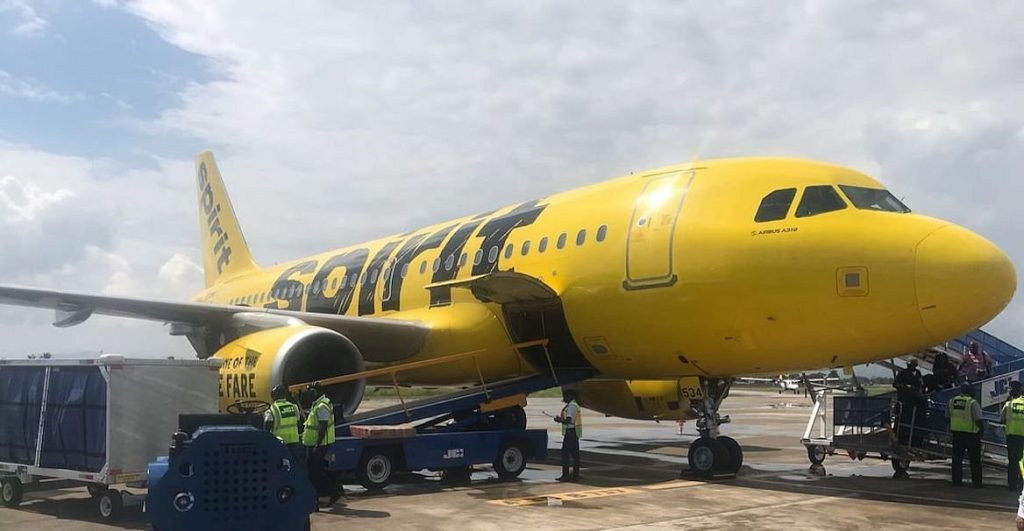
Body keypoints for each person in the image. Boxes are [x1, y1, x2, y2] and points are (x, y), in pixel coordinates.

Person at [302, 382, 342, 508]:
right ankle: (321, 496)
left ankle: (332, 492)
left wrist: (317, 445)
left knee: (315, 473)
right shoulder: (318, 404)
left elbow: (323, 427)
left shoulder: (322, 406)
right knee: (314, 472)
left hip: (318, 444)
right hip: (313, 443)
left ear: (315, 392)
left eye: (310, 391)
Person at [947, 383, 985, 488]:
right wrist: (982, 430)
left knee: (957, 459)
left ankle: (956, 481)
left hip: (957, 434)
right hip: (972, 435)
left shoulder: (952, 401)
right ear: (970, 391)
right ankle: (977, 483)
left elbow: (947, 417)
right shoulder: (972, 402)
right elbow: (979, 419)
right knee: (975, 460)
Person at [264, 384, 305, 469]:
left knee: (280, 468)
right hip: (294, 442)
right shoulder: (294, 407)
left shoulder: (272, 409)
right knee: (294, 466)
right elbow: (298, 422)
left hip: (279, 443)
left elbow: (266, 429)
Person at [894, 359, 926, 446]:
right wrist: (905, 386)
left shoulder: (918, 373)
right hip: (904, 401)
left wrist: (917, 389)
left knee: (916, 420)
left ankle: (915, 439)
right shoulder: (903, 373)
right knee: (902, 420)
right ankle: (901, 438)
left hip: (915, 401)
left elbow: (921, 384)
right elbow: (895, 384)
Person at [554, 389, 583, 482]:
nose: (564, 398)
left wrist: (559, 420)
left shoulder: (571, 406)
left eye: (565, 396)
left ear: (570, 396)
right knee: (575, 455)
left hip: (571, 432)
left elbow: (569, 420)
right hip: (573, 432)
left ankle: (566, 475)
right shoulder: (573, 405)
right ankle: (575, 475)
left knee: (565, 454)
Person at [1003, 381, 1024, 491]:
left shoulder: (1008, 404)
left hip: (1012, 436)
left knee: (1012, 462)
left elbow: (1002, 419)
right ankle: (1022, 485)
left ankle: (1012, 485)